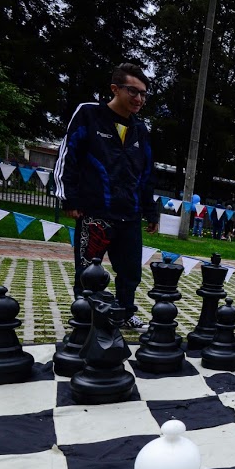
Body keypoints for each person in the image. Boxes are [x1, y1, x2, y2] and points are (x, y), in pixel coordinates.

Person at [55, 62, 158, 331]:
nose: (139, 99)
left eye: (144, 93)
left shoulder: (141, 130)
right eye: (133, 91)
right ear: (115, 89)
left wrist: (151, 211)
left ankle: (125, 313)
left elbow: (147, 173)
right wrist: (69, 198)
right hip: (95, 213)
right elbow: (69, 156)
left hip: (130, 215)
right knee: (88, 271)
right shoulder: (89, 114)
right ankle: (85, 314)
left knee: (130, 273)